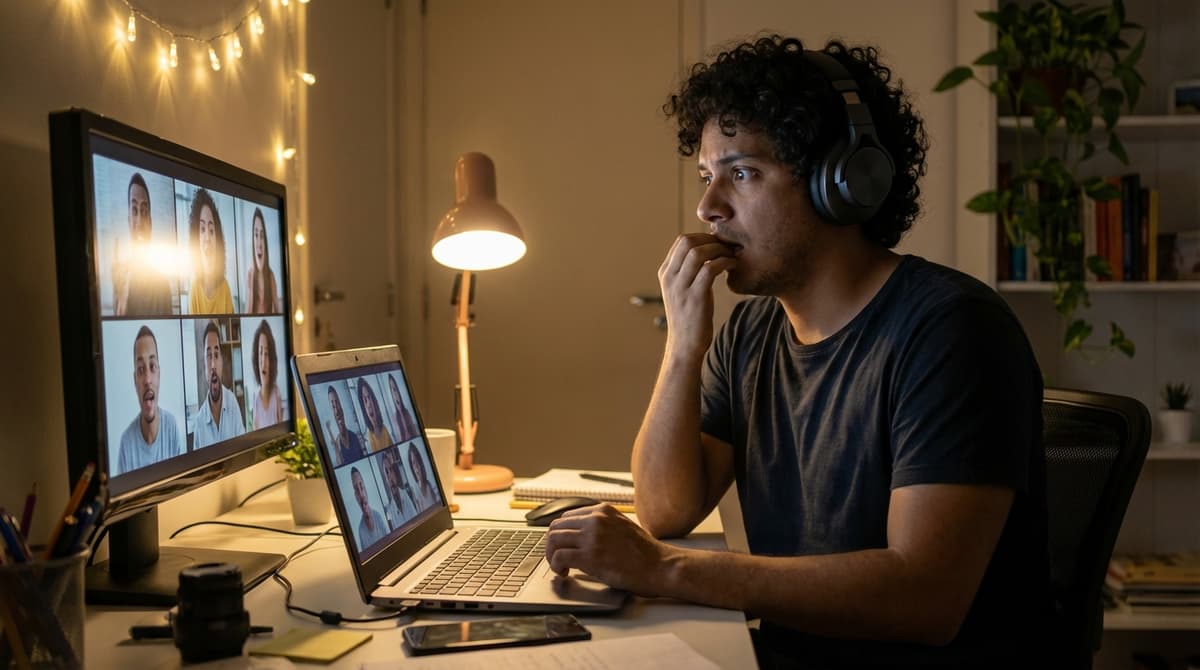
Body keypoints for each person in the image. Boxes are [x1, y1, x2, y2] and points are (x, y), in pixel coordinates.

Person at [542, 36, 1052, 668]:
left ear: (846, 182)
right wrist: (681, 348)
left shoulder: (952, 331)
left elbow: (925, 597)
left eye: (743, 173)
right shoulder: (752, 331)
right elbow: (666, 508)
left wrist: (666, 570)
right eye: (707, 177)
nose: (708, 207)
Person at [117, 325, 184, 474]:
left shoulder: (172, 427)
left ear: (159, 374)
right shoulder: (126, 443)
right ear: (135, 380)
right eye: (141, 369)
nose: (147, 379)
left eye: (152, 366)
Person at [112, 173, 172, 316]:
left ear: (150, 223)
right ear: (128, 220)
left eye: (144, 212)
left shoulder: (163, 285)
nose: (139, 222)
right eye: (134, 210)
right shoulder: (120, 282)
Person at [194, 320, 245, 448]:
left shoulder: (232, 402)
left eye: (216, 355)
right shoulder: (199, 421)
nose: (213, 365)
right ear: (204, 366)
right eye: (208, 356)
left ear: (221, 362)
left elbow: (243, 450)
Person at [187, 188, 234, 314]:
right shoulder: (194, 290)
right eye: (202, 229)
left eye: (212, 231)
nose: (207, 238)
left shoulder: (225, 288)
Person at [245, 208, 280, 314]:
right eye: (256, 235)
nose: (259, 243)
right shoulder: (250, 275)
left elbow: (279, 312)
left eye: (262, 235)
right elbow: (248, 313)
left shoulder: (271, 276)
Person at [250, 319, 283, 429]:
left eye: (267, 353)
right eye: (260, 353)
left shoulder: (276, 393)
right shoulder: (255, 398)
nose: (263, 361)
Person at [327, 386, 366, 466]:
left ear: (341, 406)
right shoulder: (337, 445)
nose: (337, 410)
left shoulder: (355, 437)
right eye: (333, 406)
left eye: (337, 403)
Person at [350, 466, 388, 549]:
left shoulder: (379, 516)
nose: (361, 494)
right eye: (356, 489)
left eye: (361, 487)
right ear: (355, 497)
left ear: (366, 490)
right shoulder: (360, 530)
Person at [357, 379, 393, 452]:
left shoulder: (384, 429)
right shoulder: (369, 438)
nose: (369, 404)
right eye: (365, 400)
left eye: (369, 398)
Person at [386, 375, 420, 442]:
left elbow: (416, 433)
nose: (395, 395)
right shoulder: (394, 418)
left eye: (395, 390)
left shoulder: (407, 412)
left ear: (398, 391)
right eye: (392, 391)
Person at [407, 443, 439, 509]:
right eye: (414, 463)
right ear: (412, 468)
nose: (417, 466)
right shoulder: (415, 493)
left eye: (417, 460)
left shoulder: (429, 485)